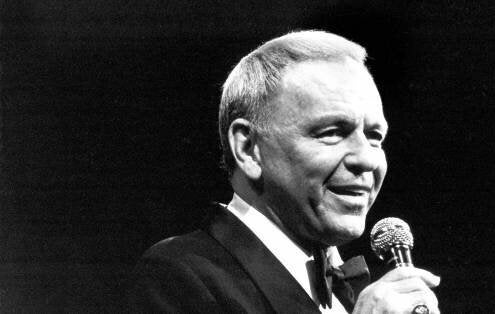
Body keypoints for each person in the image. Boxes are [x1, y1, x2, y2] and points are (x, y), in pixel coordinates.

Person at [127, 30, 440, 314]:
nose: (366, 159)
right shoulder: (179, 276)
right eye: (331, 132)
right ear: (249, 149)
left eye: (374, 137)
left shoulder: (358, 293)